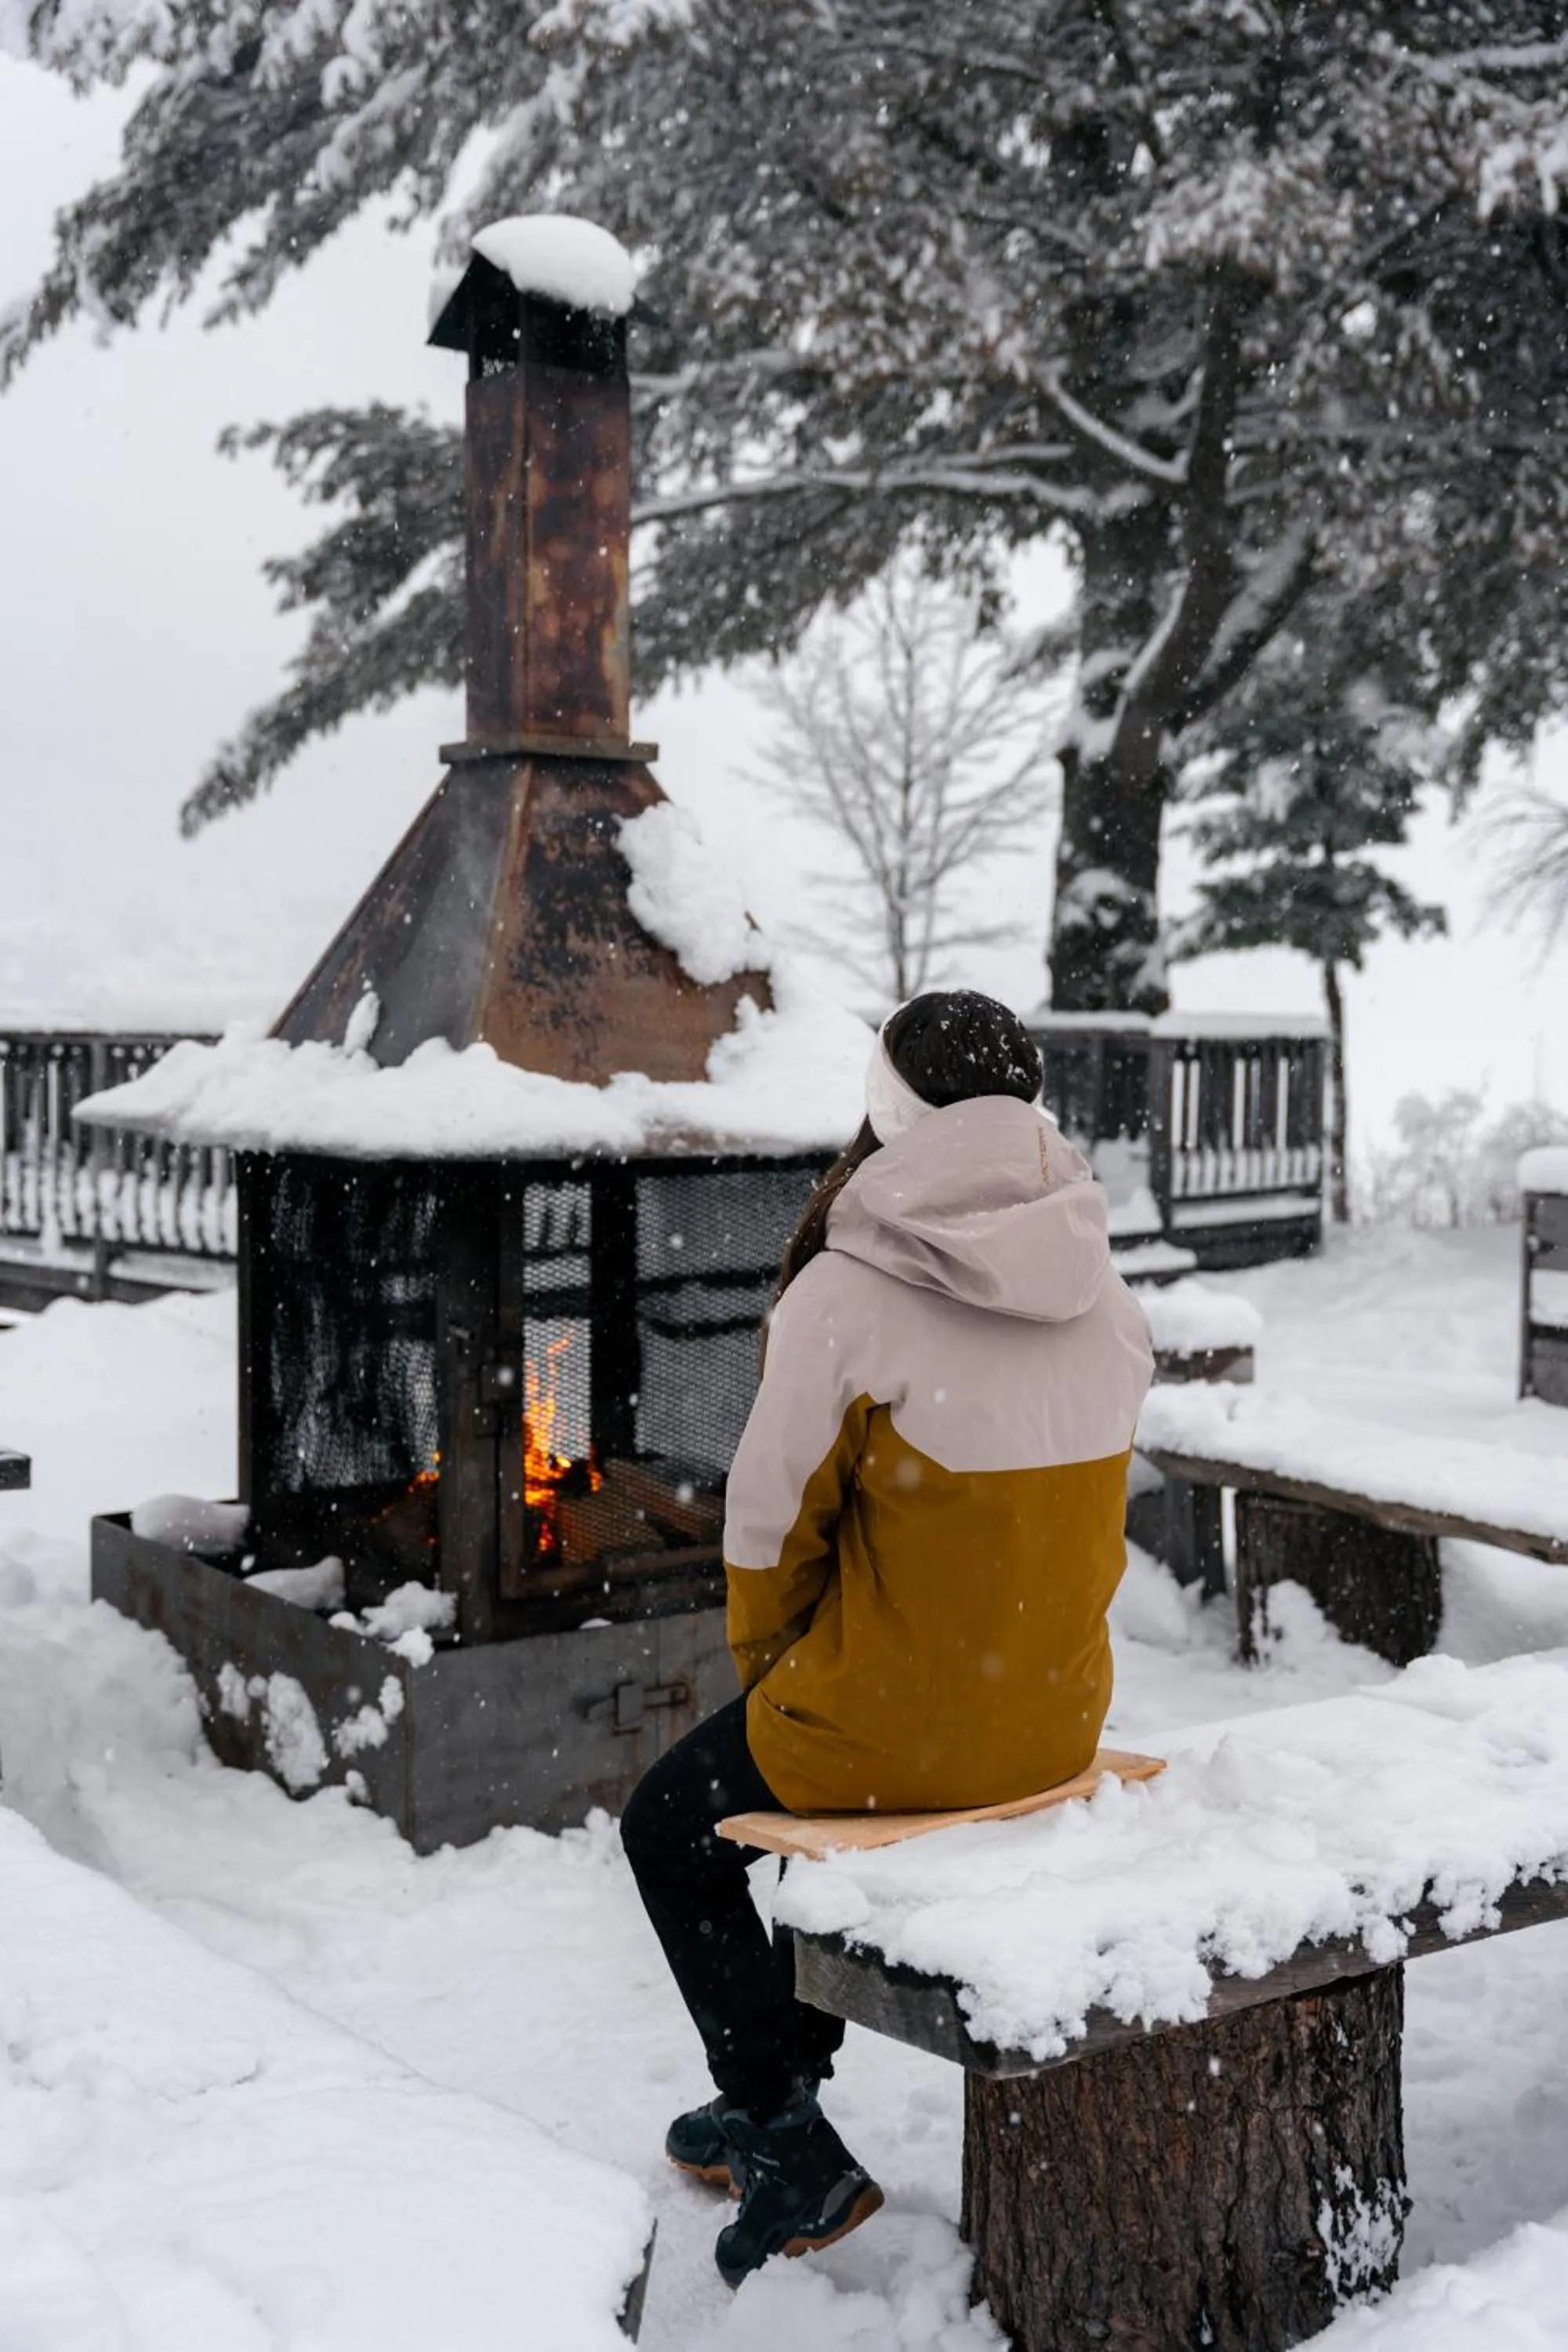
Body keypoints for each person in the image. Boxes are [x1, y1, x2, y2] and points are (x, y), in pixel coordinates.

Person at [620, 989, 1154, 2286]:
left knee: (669, 1828)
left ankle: (786, 2137)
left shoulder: (846, 1289)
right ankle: (775, 2086)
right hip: (1058, 1717)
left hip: (896, 1732)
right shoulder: (1100, 1281)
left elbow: (765, 1526)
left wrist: (780, 1677)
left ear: (885, 1113)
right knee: (787, 1813)